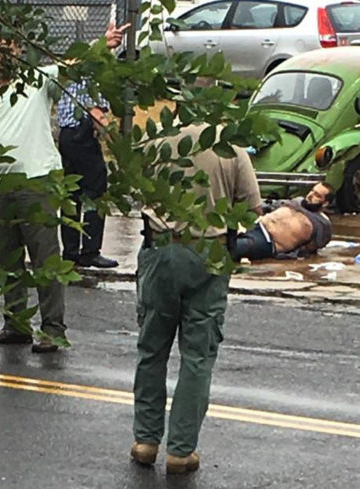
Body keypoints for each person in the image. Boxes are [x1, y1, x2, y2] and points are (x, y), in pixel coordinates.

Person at [0, 23, 126, 353]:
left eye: (12, 49)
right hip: (0, 187)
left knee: (45, 260)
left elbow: (75, 67)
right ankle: (16, 323)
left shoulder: (37, 81)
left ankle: (53, 328)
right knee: (7, 259)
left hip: (36, 182)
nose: (7, 56)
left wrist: (104, 44)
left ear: (19, 52)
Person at [130, 124, 262, 474]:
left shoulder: (155, 141)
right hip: (210, 253)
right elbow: (251, 210)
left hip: (161, 248)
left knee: (152, 349)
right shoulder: (231, 147)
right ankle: (181, 449)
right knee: (197, 355)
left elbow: (137, 194)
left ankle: (145, 440)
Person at [57, 80, 118, 268]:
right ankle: (90, 252)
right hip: (82, 134)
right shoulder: (92, 76)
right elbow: (96, 114)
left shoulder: (68, 74)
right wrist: (116, 144)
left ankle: (70, 251)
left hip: (66, 136)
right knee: (96, 192)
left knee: (71, 193)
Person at [232, 182, 333, 261]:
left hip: (268, 242)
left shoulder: (322, 224)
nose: (311, 195)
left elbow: (311, 248)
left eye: (317, 195)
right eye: (312, 191)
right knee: (223, 235)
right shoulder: (297, 201)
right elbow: (270, 207)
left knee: (239, 246)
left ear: (325, 203)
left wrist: (291, 254)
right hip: (257, 224)